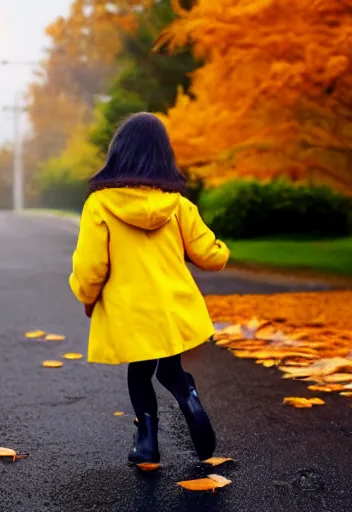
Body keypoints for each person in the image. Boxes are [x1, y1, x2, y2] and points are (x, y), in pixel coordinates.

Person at [69, 112, 230, 466]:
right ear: (163, 155)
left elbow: (90, 266)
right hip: (171, 307)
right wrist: (222, 250)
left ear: (118, 152)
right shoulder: (178, 205)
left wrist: (87, 295)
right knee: (169, 366)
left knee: (140, 374)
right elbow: (209, 255)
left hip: (131, 311)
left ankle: (147, 445)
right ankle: (188, 396)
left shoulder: (101, 204)